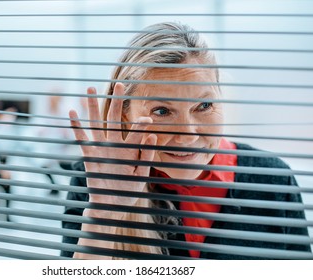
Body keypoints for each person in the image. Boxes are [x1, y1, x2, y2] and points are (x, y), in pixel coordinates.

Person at [61, 22, 311, 259]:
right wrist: (105, 213)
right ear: (124, 114)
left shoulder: (273, 179)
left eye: (203, 105)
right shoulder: (97, 181)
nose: (188, 135)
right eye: (162, 111)